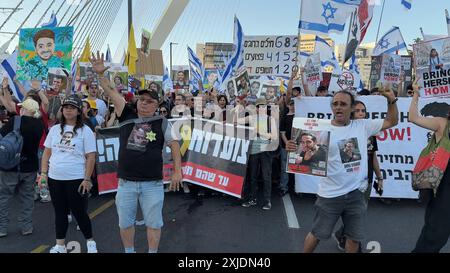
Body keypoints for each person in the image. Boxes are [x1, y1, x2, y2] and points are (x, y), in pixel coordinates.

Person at [90, 51, 182, 253]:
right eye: (141, 99)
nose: (144, 102)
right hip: (126, 184)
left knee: (154, 224)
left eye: (149, 101)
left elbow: (174, 144)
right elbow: (111, 91)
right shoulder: (126, 114)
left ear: (157, 105)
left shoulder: (162, 122)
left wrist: (177, 171)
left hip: (152, 184)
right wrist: (100, 75)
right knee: (125, 224)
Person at [302, 86, 398, 253]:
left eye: (343, 104)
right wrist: (293, 148)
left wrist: (391, 100)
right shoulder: (321, 130)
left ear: (352, 108)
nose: (338, 107)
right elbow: (305, 154)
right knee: (317, 234)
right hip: (329, 195)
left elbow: (392, 121)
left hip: (356, 194)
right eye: (335, 104)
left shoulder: (362, 126)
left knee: (354, 239)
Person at [40, 95, 97, 253]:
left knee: (79, 212)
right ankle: (60, 245)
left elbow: (91, 156)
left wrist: (87, 178)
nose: (68, 110)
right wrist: (44, 173)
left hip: (76, 178)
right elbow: (46, 153)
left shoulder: (85, 131)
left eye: (72, 108)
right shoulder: (54, 129)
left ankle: (90, 242)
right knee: (60, 213)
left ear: (79, 111)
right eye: (66, 107)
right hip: (55, 177)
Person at [333, 100, 384, 251]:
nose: (361, 113)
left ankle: (340, 234)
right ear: (351, 113)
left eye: (364, 111)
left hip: (367, 179)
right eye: (358, 111)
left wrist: (380, 177)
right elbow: (347, 160)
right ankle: (354, 243)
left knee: (359, 212)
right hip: (351, 181)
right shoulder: (346, 132)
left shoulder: (370, 132)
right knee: (356, 214)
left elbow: (372, 157)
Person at [408, 79, 450, 253]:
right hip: (444, 189)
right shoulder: (443, 123)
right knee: (435, 235)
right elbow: (413, 118)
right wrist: (416, 94)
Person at [0, 98, 44, 238]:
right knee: (27, 198)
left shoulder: (16, 121)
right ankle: (26, 226)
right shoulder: (39, 124)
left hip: (10, 167)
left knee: (3, 198)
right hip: (30, 167)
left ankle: (2, 228)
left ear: (24, 109)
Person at [241, 97, 278, 210]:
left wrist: (259, 131)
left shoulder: (270, 119)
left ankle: (267, 201)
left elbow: (274, 136)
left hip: (266, 149)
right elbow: (236, 121)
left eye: (263, 106)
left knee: (266, 176)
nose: (261, 108)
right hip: (253, 149)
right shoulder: (252, 118)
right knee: (252, 176)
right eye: (259, 106)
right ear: (255, 108)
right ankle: (252, 198)